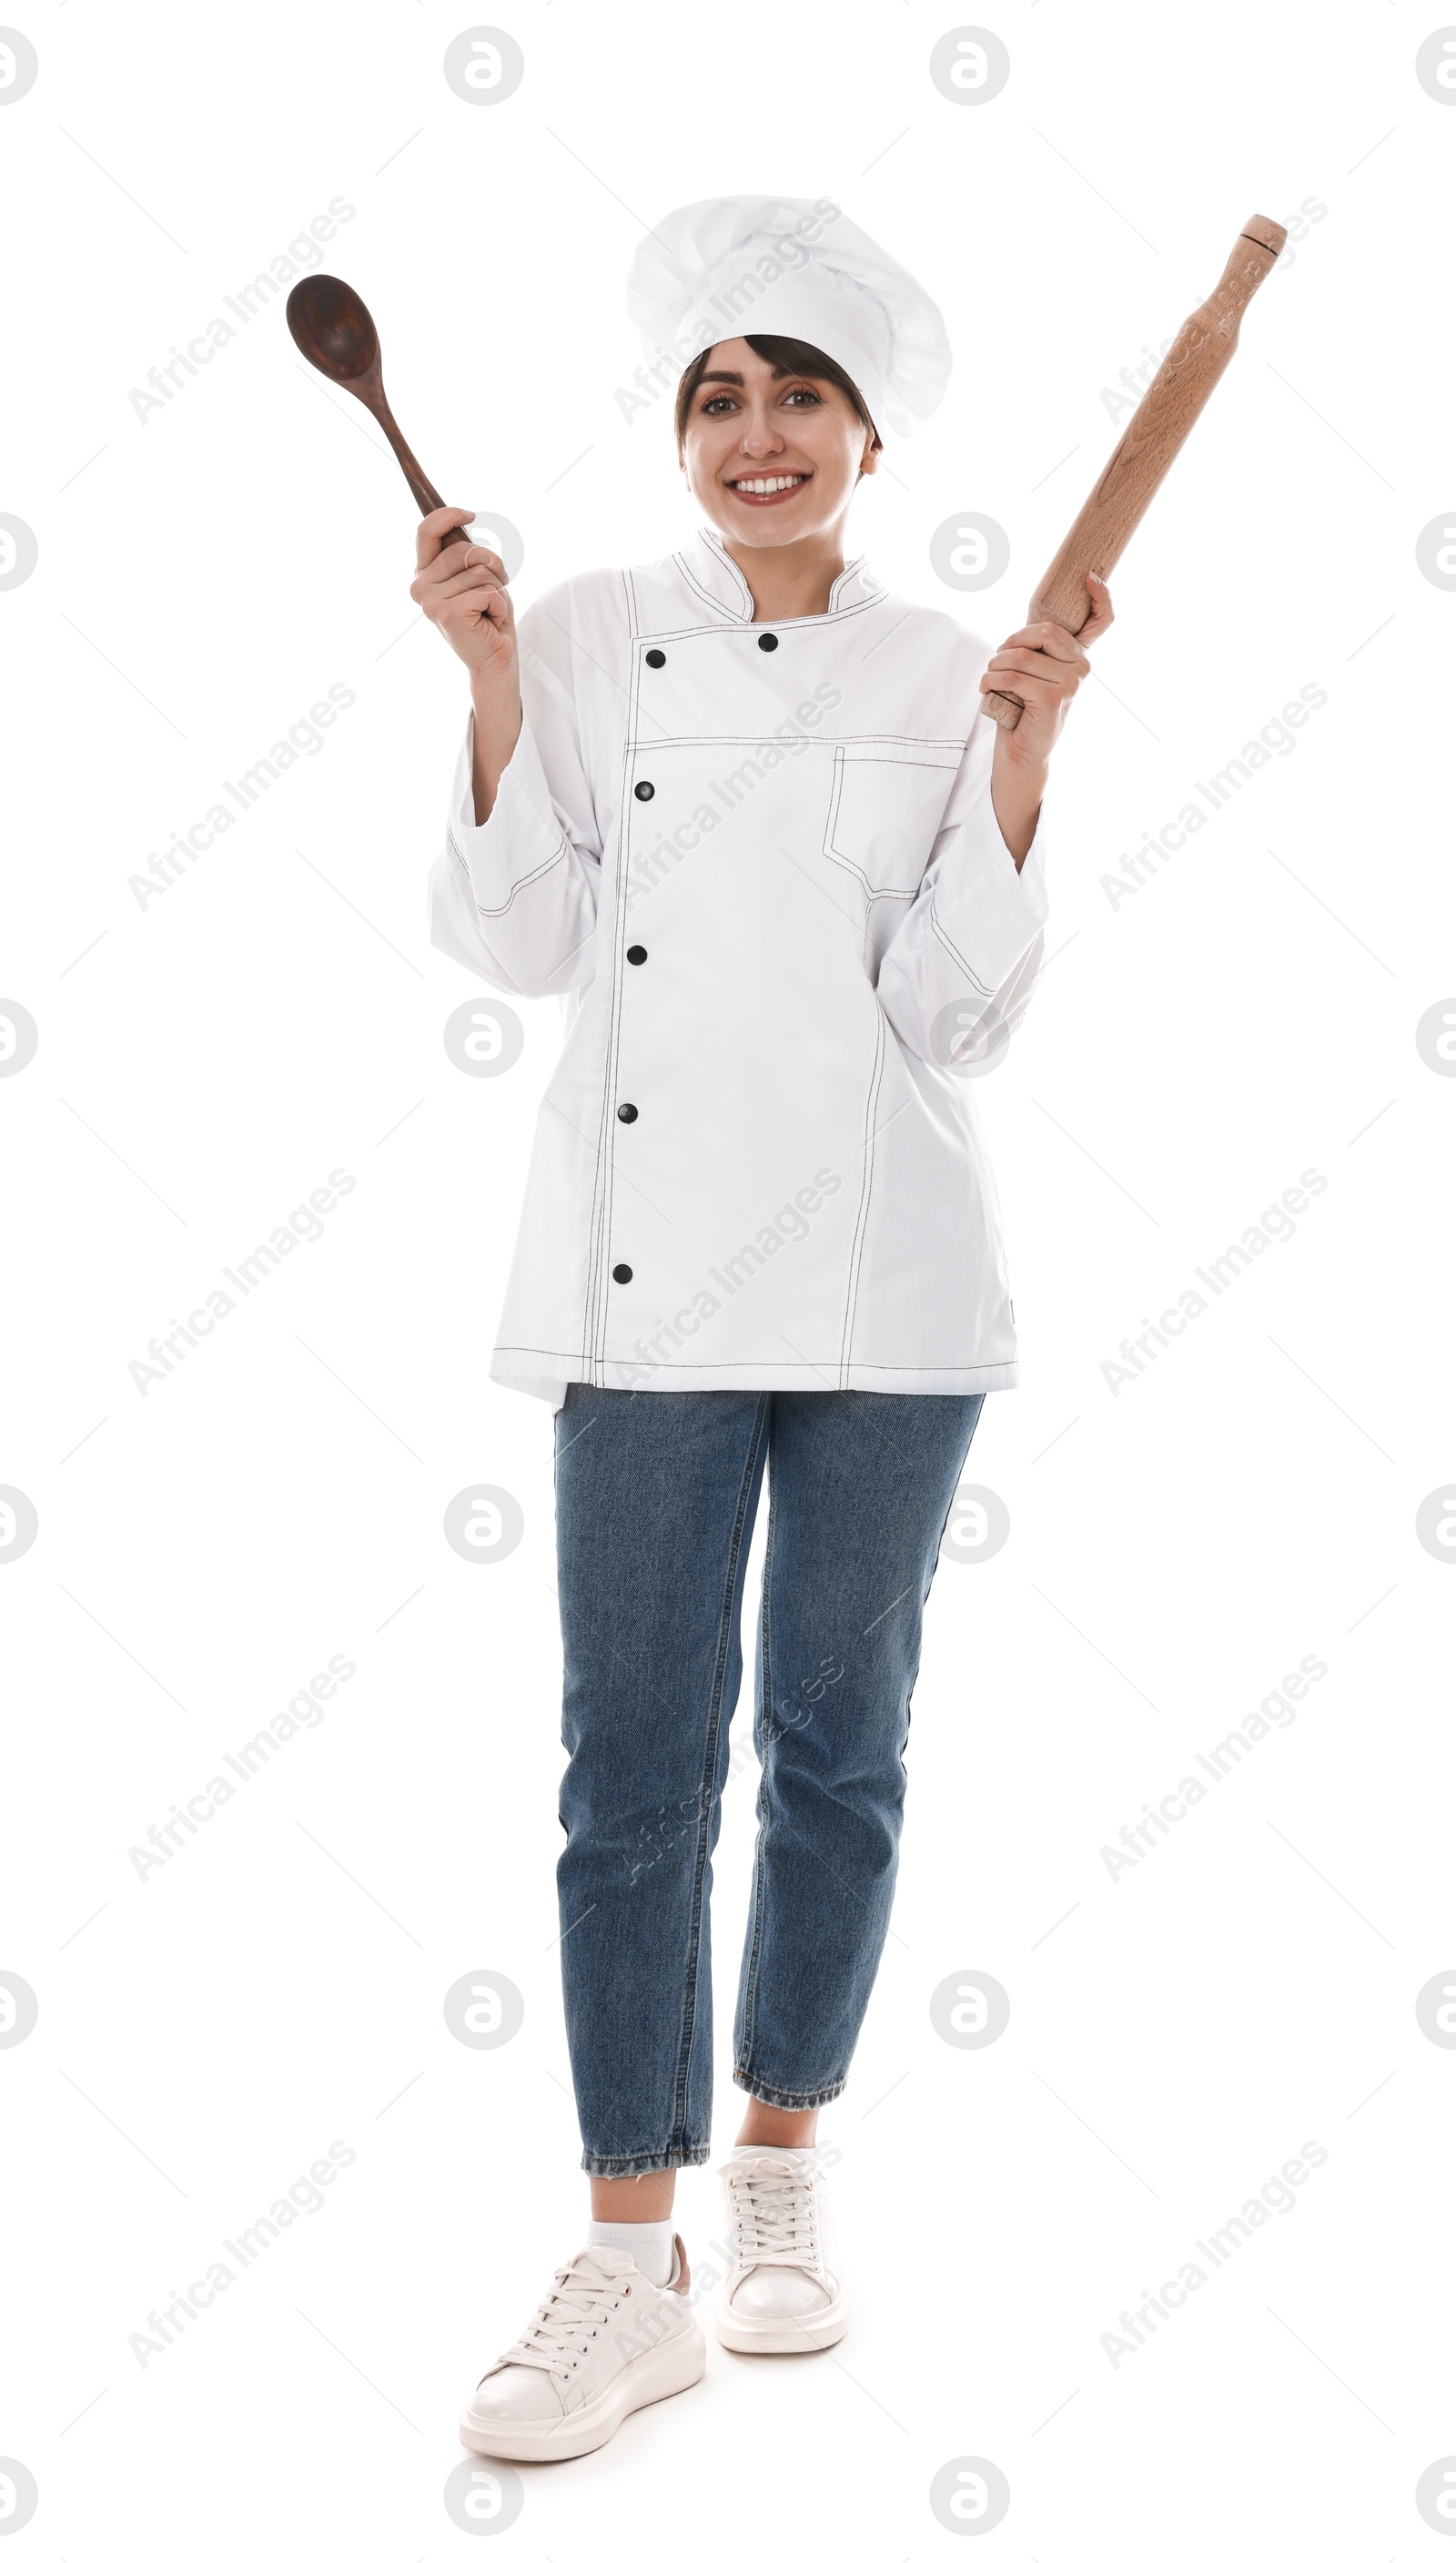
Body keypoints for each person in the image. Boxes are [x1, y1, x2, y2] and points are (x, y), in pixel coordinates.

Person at [419, 196, 1111, 2463]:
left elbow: (949, 1009)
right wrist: (491, 677)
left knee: (837, 1740)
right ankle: (630, 2258)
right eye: (718, 395)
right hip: (640, 1288)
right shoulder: (596, 629)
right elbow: (521, 947)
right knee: (632, 1768)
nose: (755, 431)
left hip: (887, 1283)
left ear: (867, 436)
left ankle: (782, 2167)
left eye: (798, 393)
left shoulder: (937, 668)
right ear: (681, 428)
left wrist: (1019, 757)